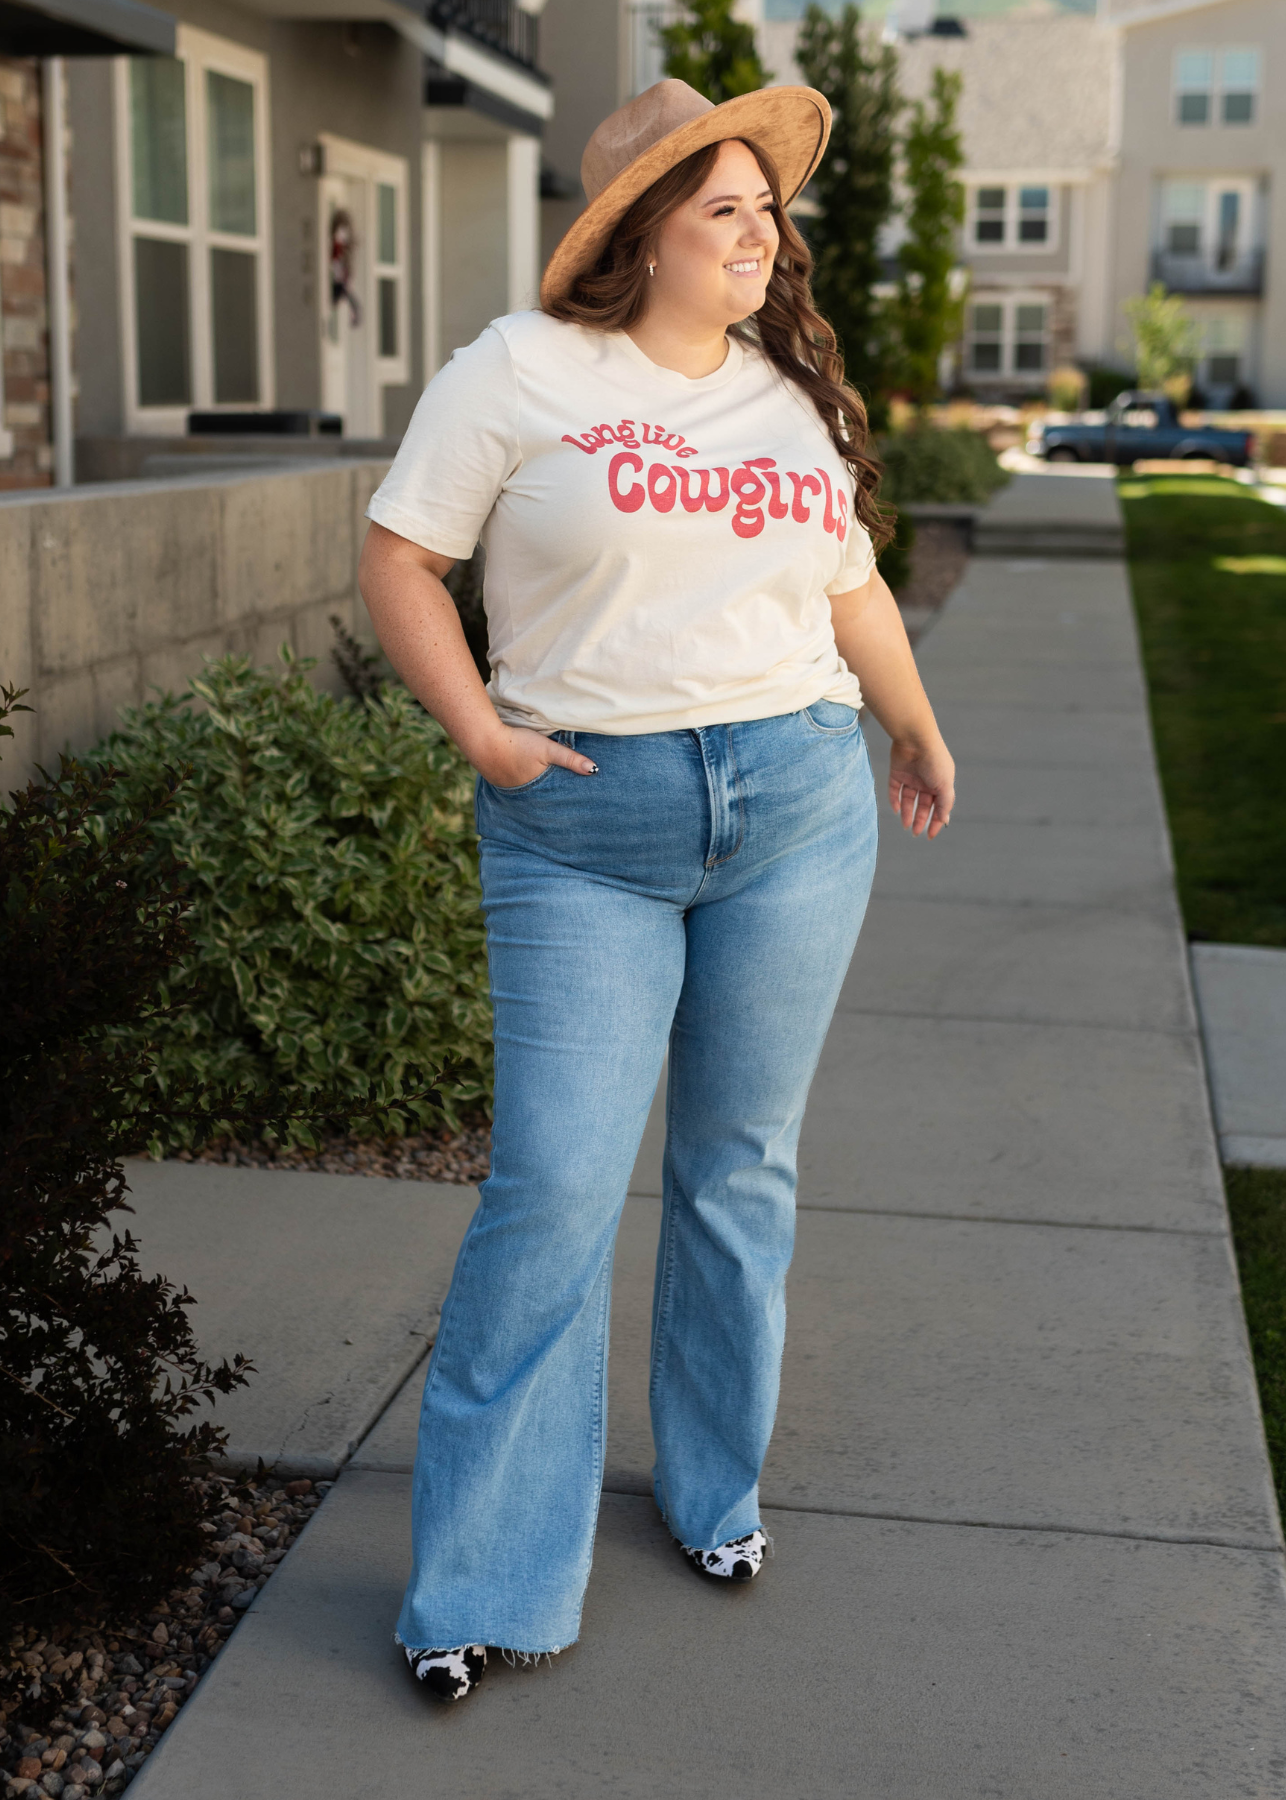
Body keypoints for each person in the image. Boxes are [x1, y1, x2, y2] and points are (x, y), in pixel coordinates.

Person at [358, 77, 955, 1703]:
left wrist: (909, 721)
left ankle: (712, 1497)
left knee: (737, 1169)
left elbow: (848, 583)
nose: (763, 235)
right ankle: (478, 1583)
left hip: (796, 807)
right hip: (581, 828)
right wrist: (478, 726)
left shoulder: (780, 394)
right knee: (550, 1190)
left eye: (771, 210)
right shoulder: (519, 372)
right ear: (641, 232)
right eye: (727, 211)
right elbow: (400, 555)